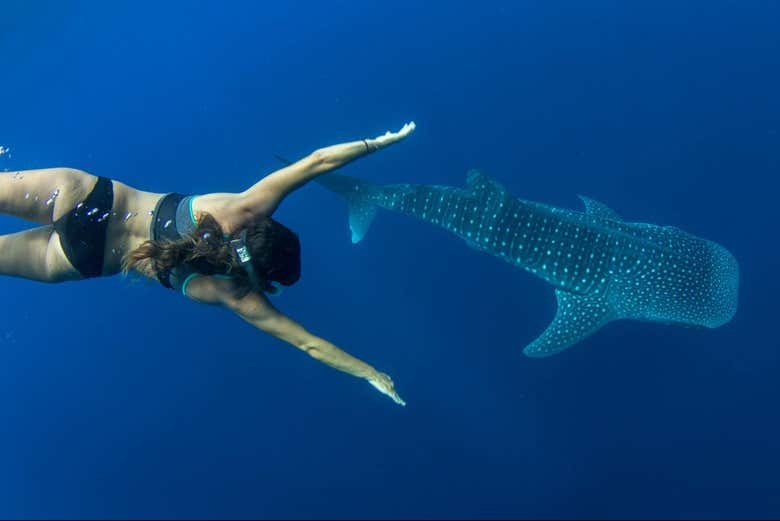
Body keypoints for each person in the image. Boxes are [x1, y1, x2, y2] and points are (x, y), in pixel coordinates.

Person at [0, 122, 416, 405]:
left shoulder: (243, 210)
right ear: (266, 280)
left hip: (83, 196)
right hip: (81, 259)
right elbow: (309, 344)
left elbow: (317, 161)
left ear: (268, 226)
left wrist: (379, 143)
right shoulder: (237, 295)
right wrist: (370, 373)